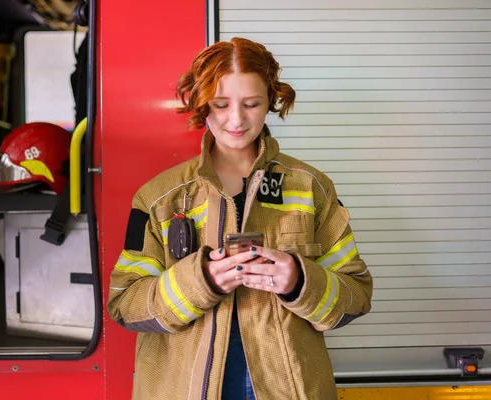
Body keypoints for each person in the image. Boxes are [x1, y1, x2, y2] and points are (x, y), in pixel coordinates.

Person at [107, 37, 373, 400]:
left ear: (270, 103)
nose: (236, 119)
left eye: (251, 104)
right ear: (203, 104)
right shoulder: (158, 197)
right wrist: (198, 281)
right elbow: (125, 305)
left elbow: (355, 294)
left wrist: (299, 280)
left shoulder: (311, 189)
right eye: (220, 104)